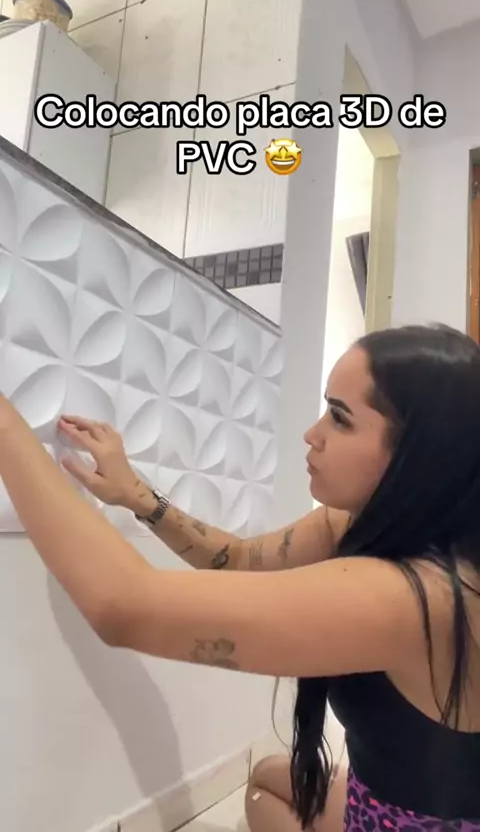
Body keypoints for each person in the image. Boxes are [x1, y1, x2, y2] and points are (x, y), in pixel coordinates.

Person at [2, 323, 480, 832]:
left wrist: (7, 427)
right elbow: (234, 558)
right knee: (267, 782)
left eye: (340, 419)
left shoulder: (416, 598)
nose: (312, 434)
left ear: (419, 453)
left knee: (267, 798)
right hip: (383, 798)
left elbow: (123, 606)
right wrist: (138, 495)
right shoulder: (357, 526)